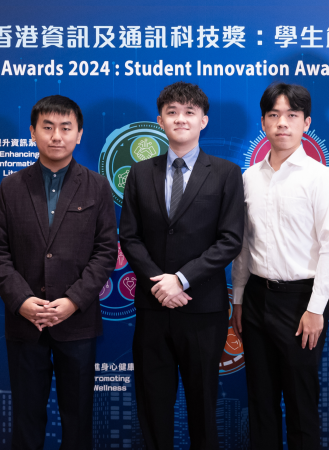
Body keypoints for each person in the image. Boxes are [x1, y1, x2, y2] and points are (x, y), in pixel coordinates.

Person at [118, 81, 244, 450]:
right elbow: (130, 236)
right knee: (153, 404)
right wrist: (162, 283)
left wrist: (182, 280)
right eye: (172, 112)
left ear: (204, 120)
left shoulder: (225, 173)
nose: (181, 119)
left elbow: (230, 240)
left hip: (202, 309)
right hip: (153, 306)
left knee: (203, 405)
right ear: (160, 120)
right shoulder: (140, 173)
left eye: (190, 112)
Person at [0, 95, 117, 450]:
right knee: (26, 414)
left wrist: (73, 301)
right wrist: (23, 300)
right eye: (47, 127)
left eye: (65, 128)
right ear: (32, 132)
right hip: (25, 322)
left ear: (79, 134)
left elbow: (105, 251)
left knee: (78, 415)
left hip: (76, 321)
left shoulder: (96, 186)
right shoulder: (12, 187)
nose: (56, 136)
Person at [230, 83, 329, 450]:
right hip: (257, 300)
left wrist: (315, 309)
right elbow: (244, 247)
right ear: (263, 121)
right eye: (274, 115)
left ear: (306, 122)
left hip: (301, 303)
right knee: (260, 400)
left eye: (292, 115)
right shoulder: (248, 179)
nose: (283, 123)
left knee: (300, 401)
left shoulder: (320, 177)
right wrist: (239, 299)